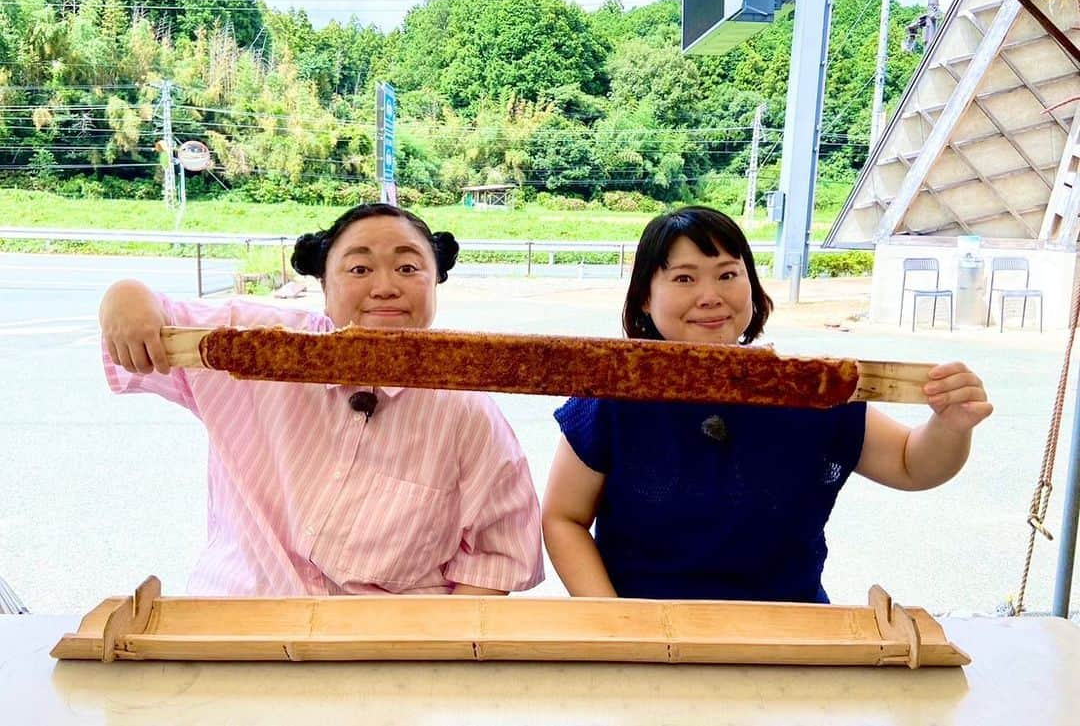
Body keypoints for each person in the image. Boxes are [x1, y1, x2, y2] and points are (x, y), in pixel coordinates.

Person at [542, 206, 992, 603]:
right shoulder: (612, 394)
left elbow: (912, 464)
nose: (710, 295)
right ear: (645, 296)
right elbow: (564, 517)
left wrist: (952, 424)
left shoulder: (805, 388)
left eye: (728, 274)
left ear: (752, 287)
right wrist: (614, 620)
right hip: (645, 631)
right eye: (684, 278)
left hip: (789, 626)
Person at [100, 203, 543, 597]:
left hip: (384, 646)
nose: (385, 287)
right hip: (240, 615)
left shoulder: (466, 408)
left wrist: (436, 646)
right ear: (324, 284)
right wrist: (125, 296)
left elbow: (497, 551)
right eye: (359, 269)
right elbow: (151, 320)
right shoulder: (256, 346)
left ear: (435, 283)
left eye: (408, 268)